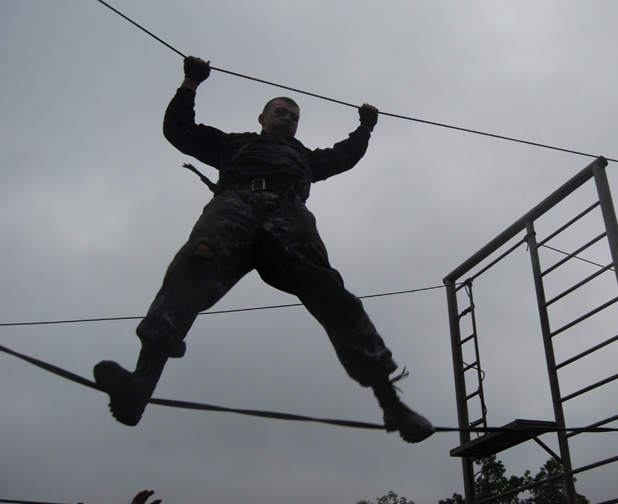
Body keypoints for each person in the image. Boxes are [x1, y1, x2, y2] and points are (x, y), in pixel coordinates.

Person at [93, 56, 434, 443]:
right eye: (280, 112)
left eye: (293, 116)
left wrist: (366, 126)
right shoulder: (232, 144)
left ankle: (392, 403)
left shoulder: (305, 157)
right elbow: (179, 130)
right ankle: (140, 385)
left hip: (288, 213)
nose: (287, 118)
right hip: (234, 206)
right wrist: (191, 82)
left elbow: (346, 155)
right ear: (262, 117)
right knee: (195, 262)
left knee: (330, 291)